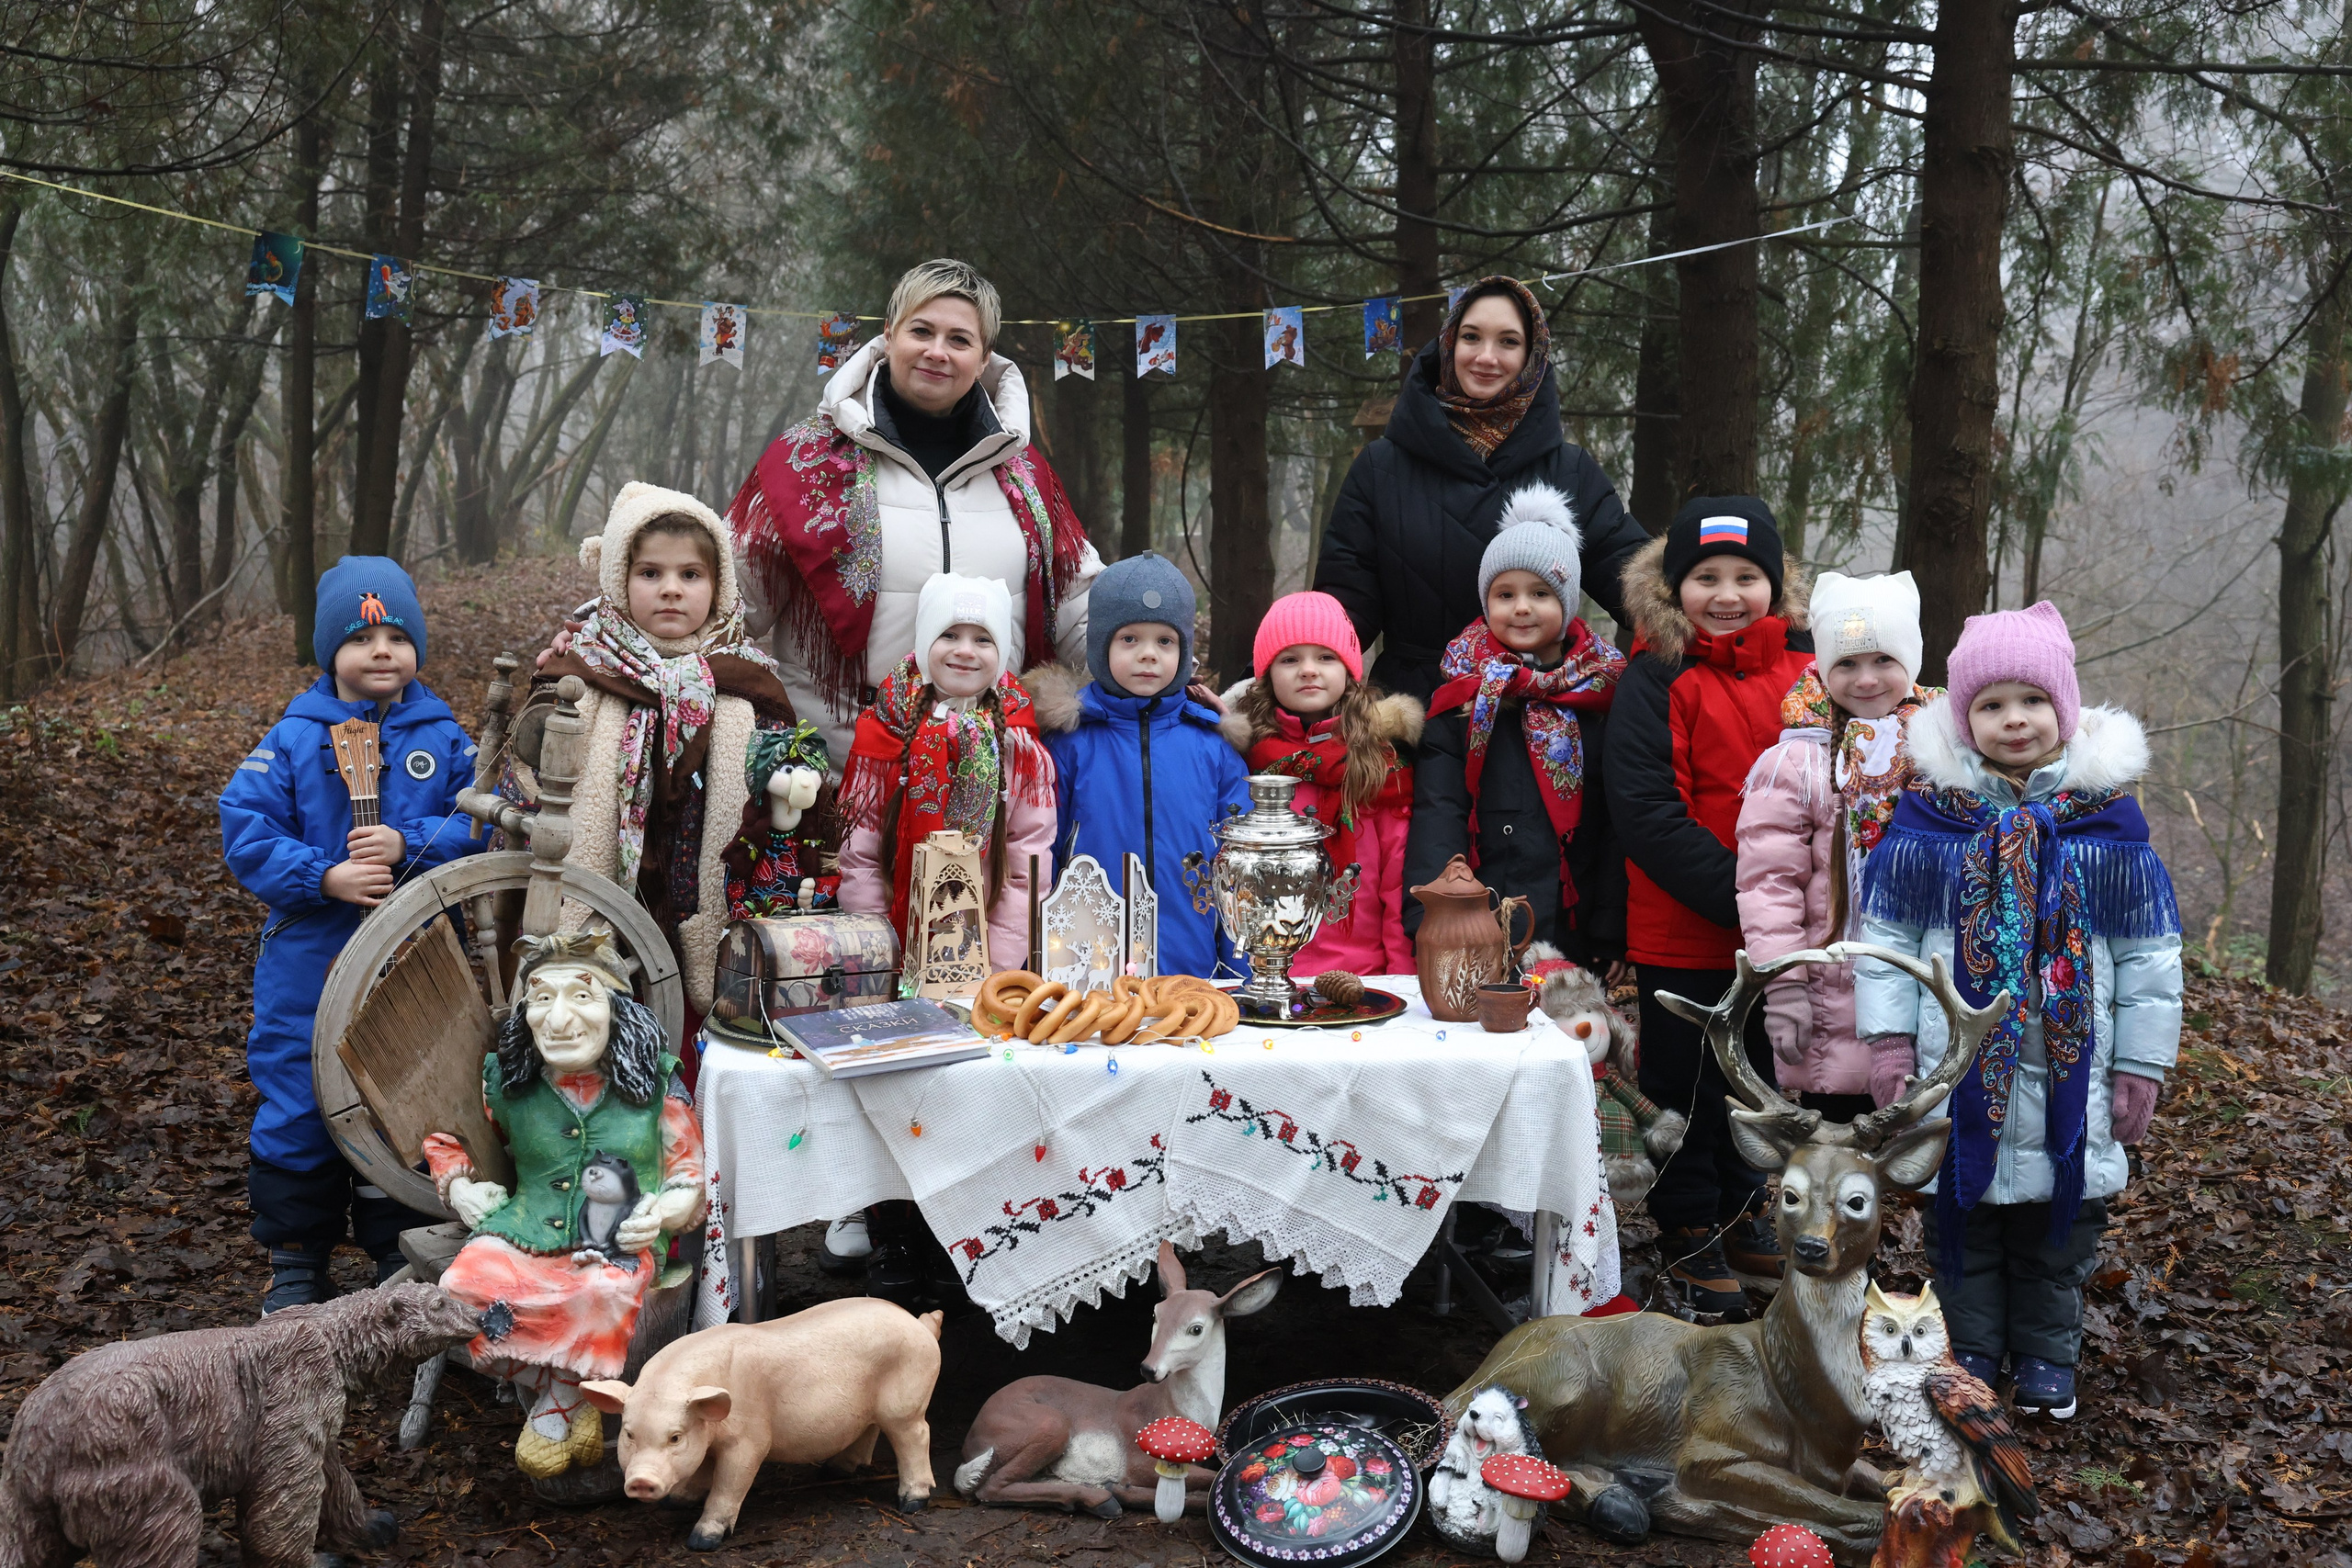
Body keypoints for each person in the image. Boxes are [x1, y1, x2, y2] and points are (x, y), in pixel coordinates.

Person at [1853, 602, 2180, 1421]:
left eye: (2033, 700)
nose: (2014, 719)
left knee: (2056, 1235)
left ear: (2063, 706)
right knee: (1962, 1220)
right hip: (1955, 1068)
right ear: (1964, 717)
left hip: (2074, 1068)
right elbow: (1887, 944)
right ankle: (1969, 1349)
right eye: (1992, 704)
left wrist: (2141, 1064)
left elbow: (2149, 960)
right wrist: (1888, 1043)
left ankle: (2044, 1356)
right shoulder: (1930, 817)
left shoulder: (2108, 821)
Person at [219, 557, 483, 1313]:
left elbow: (488, 820)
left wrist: (411, 842)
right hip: (309, 958)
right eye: (361, 637)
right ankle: (296, 1257)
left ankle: (396, 1249)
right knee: (299, 1095)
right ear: (329, 650)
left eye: (397, 636)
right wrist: (323, 875)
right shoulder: (294, 738)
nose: (381, 650)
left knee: (407, 1094)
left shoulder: (445, 738)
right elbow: (246, 826)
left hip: (414, 959)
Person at [729, 258, 1103, 768]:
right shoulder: (804, 460)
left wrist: (1162, 666)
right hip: (832, 773)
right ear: (889, 335)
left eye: (959, 340)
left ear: (983, 358)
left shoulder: (1027, 475)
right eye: (921, 331)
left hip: (988, 775)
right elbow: (726, 602)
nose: (937, 352)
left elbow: (1080, 607)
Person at [1605, 496, 1814, 1317]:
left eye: (1746, 577)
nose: (1727, 595)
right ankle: (1688, 1226)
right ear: (1673, 588)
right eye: (1706, 578)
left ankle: (1742, 1206)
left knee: (1758, 1074)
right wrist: (1748, 896)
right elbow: (1650, 811)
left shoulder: (1807, 674)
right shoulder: (1657, 676)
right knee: (1686, 1083)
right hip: (1685, 925)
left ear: (1776, 586)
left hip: (1786, 929)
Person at [527, 483, 809, 1054]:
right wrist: (546, 694)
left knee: (693, 1012)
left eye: (691, 575)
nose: (671, 590)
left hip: (702, 878)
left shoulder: (746, 676)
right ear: (618, 580)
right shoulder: (586, 663)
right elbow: (536, 765)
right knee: (608, 1006)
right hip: (619, 875)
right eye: (650, 573)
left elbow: (778, 771)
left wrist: (787, 783)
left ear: (719, 586)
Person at [1314, 276, 1652, 706]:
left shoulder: (1571, 471)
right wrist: (1271, 681)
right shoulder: (1381, 467)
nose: (1486, 357)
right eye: (1471, 337)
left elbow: (1639, 586)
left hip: (1541, 714)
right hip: (1415, 712)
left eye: (1508, 341)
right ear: (1448, 344)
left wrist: (1719, 608)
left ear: (1532, 356)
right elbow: (1341, 608)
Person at [1735, 571, 1931, 1122]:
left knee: (1919, 1144)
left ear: (1911, 661)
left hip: (1923, 989)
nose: (1866, 679)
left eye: (1884, 660)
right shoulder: (1798, 763)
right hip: (1830, 999)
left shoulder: (1941, 753)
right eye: (1846, 663)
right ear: (1823, 667)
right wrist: (1785, 986)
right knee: (1842, 1146)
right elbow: (1768, 885)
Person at [1403, 484, 1625, 972]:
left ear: (1567, 603)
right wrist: (1431, 914)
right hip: (1478, 922)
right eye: (1505, 594)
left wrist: (1613, 929)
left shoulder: (1602, 697)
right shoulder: (1462, 698)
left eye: (1540, 593)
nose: (1522, 607)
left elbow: (1615, 824)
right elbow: (1439, 812)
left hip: (1574, 924)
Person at [1031, 553, 1250, 980]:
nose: (1148, 655)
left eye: (1165, 641)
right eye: (1129, 639)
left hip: (1193, 970)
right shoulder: (1069, 743)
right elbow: (1042, 857)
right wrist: (1036, 965)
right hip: (1086, 971)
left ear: (1184, 652)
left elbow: (1240, 866)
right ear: (1101, 646)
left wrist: (1239, 972)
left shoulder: (1214, 749)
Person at [837, 572, 1055, 974]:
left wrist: (994, 965)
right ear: (925, 643)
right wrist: (878, 952)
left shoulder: (1019, 744)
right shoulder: (883, 731)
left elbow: (1028, 861)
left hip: (981, 958)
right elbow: (860, 851)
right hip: (888, 947)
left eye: (983, 639)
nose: (965, 651)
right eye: (950, 635)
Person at [1216, 590, 1420, 977]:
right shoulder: (1242, 760)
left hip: (1361, 976)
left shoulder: (1378, 766)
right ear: (1266, 674)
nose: (1308, 670)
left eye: (1326, 657)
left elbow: (1397, 885)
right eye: (1290, 659)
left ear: (1349, 669)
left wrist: (1401, 980)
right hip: (1258, 973)